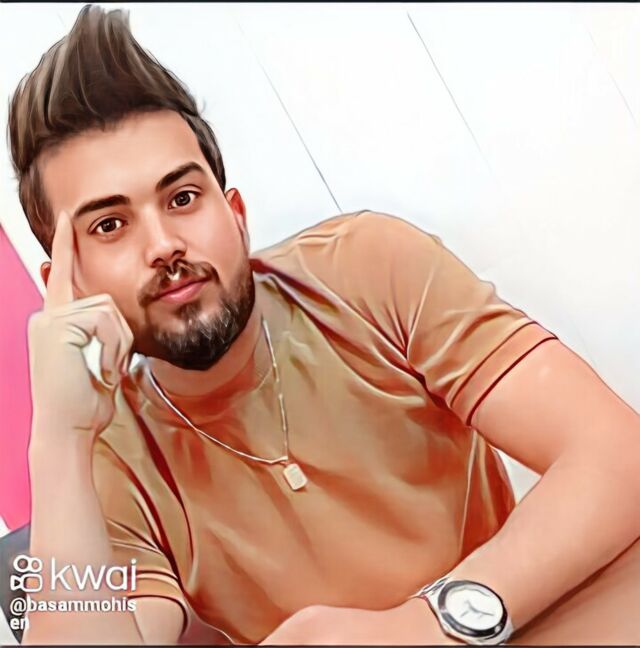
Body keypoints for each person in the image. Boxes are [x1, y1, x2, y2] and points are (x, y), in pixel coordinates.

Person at [8, 5, 640, 646]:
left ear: (236, 215)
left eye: (183, 198)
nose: (164, 244)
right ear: (69, 286)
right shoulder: (107, 453)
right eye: (110, 225)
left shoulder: (365, 269)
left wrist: (425, 627)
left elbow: (617, 455)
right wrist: (58, 442)